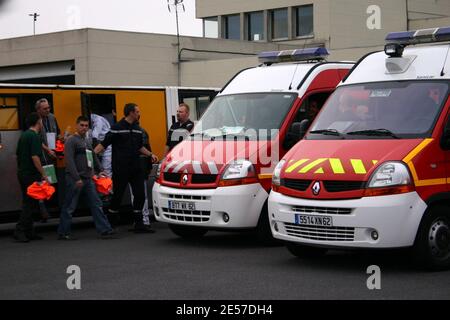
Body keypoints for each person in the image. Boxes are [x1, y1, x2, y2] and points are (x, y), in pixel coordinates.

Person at [94, 103, 156, 233]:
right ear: (131, 113)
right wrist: (91, 155)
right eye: (137, 111)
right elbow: (104, 144)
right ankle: (110, 225)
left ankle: (139, 224)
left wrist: (151, 154)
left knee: (139, 195)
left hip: (135, 168)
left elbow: (140, 147)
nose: (139, 114)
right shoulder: (116, 128)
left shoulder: (138, 129)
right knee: (118, 196)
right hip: (121, 168)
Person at [57, 116, 115, 240]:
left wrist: (100, 170)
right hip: (74, 179)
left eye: (86, 126)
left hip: (88, 179)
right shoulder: (71, 141)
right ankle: (63, 232)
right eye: (82, 125)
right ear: (76, 126)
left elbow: (93, 156)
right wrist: (76, 178)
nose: (84, 128)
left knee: (97, 204)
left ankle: (105, 230)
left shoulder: (86, 141)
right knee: (69, 207)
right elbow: (69, 161)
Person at [14, 113, 47, 242]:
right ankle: (20, 230)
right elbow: (35, 157)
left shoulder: (24, 136)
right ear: (38, 122)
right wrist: (43, 174)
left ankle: (29, 231)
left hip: (23, 173)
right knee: (29, 204)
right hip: (30, 175)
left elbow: (18, 155)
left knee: (31, 203)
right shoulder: (34, 136)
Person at [35, 98, 61, 222]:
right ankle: (42, 208)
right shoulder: (34, 120)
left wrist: (61, 140)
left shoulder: (52, 117)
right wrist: (47, 150)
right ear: (38, 109)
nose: (48, 110)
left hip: (52, 156)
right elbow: (35, 140)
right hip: (41, 157)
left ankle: (47, 208)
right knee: (43, 182)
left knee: (50, 182)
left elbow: (57, 133)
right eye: (45, 109)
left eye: (48, 108)